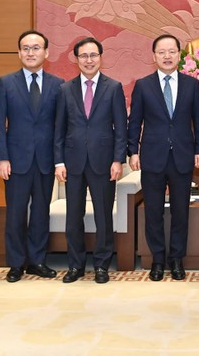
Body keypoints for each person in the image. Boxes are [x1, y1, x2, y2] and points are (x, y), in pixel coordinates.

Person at [127, 34, 199, 281]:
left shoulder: (191, 85)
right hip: (153, 156)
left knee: (181, 212)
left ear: (179, 55)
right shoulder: (143, 85)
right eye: (162, 52)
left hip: (183, 156)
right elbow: (135, 122)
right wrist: (132, 151)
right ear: (154, 56)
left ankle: (176, 260)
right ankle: (158, 261)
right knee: (153, 212)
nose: (167, 56)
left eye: (172, 51)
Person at [0, 30, 63, 283]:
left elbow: (60, 127)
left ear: (46, 52)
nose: (30, 53)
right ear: (18, 52)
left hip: (45, 161)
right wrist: (2, 157)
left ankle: (37, 261)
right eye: (25, 48)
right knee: (16, 213)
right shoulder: (6, 82)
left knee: (41, 212)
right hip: (15, 161)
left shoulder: (58, 84)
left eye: (35, 48)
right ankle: (15, 263)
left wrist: (59, 160)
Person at [54, 37, 127, 285]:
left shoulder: (113, 87)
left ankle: (101, 265)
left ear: (101, 57)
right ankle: (75, 265)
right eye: (83, 56)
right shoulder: (65, 89)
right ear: (76, 59)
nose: (89, 60)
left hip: (104, 162)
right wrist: (59, 162)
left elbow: (121, 129)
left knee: (103, 216)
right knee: (73, 216)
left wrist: (119, 160)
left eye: (93, 55)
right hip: (73, 163)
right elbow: (59, 130)